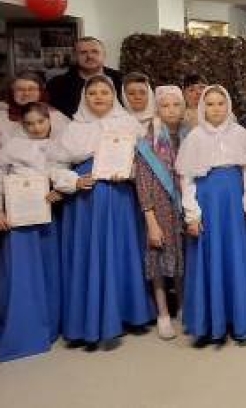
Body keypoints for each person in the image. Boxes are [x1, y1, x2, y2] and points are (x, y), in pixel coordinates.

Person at [52, 75, 153, 347]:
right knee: (90, 254)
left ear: (113, 96)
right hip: (85, 202)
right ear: (84, 97)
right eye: (93, 93)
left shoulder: (129, 124)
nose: (98, 97)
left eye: (104, 92)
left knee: (121, 249)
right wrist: (72, 181)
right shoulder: (73, 129)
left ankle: (127, 313)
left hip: (120, 199)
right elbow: (55, 165)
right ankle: (88, 318)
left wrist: (130, 172)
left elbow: (146, 163)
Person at [175, 85, 246, 345]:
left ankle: (238, 320)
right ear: (202, 107)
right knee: (208, 256)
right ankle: (208, 322)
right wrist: (192, 214)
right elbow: (187, 179)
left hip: (233, 204)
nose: (216, 108)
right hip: (207, 202)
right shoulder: (195, 137)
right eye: (210, 104)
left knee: (235, 257)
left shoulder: (241, 133)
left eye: (221, 103)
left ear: (228, 105)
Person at [0, 102, 66, 362]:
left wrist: (61, 190)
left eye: (40, 121)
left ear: (49, 120)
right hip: (18, 220)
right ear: (22, 125)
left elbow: (67, 175)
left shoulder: (61, 146)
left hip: (47, 217)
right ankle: (23, 329)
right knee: (22, 273)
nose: (36, 128)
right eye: (30, 124)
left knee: (49, 270)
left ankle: (50, 324)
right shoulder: (12, 148)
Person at [133, 85, 189, 340]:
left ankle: (184, 306)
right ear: (157, 109)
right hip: (159, 209)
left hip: (184, 207)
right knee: (158, 261)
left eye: (176, 104)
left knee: (182, 259)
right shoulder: (148, 141)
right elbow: (143, 183)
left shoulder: (189, 135)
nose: (171, 110)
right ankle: (163, 314)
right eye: (165, 105)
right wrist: (151, 221)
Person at [46, 37, 123, 119]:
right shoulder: (57, 85)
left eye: (95, 51)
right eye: (83, 52)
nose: (89, 56)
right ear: (75, 56)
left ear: (104, 55)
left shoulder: (121, 79)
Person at [1, 71, 69, 145]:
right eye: (20, 89)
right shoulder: (2, 116)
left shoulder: (55, 116)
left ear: (40, 92)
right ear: (12, 93)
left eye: (32, 89)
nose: (26, 93)